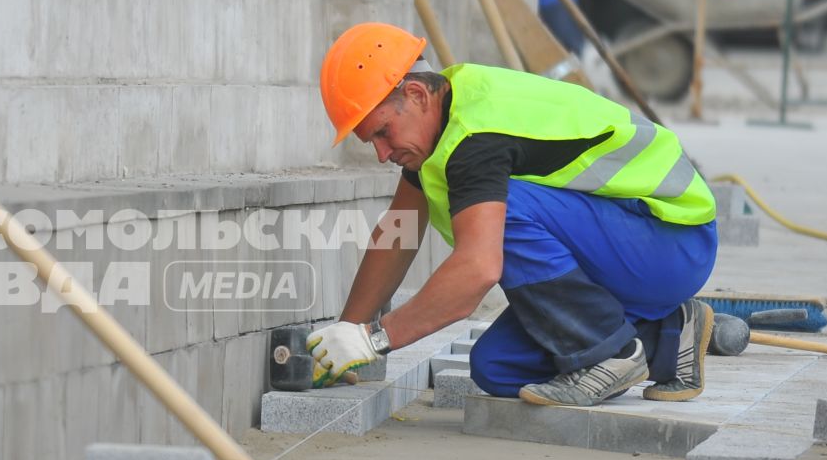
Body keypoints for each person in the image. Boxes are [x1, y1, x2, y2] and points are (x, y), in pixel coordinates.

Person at [308, 23, 719, 407]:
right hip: (630, 250)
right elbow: (398, 235)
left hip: (670, 235)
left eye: (382, 132)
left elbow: (478, 269)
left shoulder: (476, 138)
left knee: (502, 210)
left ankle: (611, 354)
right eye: (371, 142)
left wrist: (376, 341)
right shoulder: (440, 125)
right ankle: (669, 333)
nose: (381, 154)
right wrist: (346, 339)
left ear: (415, 95)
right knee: (496, 368)